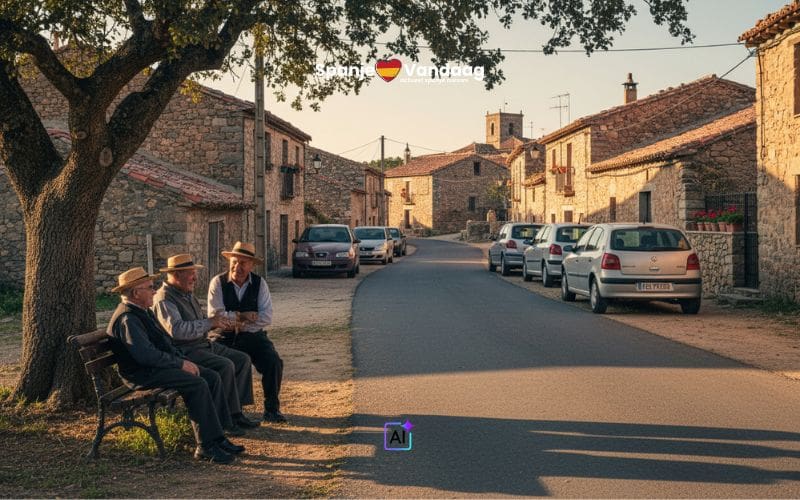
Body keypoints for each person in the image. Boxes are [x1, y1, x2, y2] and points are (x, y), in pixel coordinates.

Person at [106, 266, 244, 464]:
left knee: (211, 376)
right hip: (142, 374)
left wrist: (182, 360)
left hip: (154, 367)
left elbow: (163, 343)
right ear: (136, 293)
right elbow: (146, 356)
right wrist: (180, 364)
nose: (154, 291)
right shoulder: (128, 318)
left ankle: (218, 437)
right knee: (197, 383)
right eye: (150, 287)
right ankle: (205, 446)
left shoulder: (141, 311)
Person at [152, 253, 260, 435]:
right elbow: (177, 331)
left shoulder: (186, 294)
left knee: (242, 359)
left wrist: (221, 322)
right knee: (225, 366)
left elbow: (202, 320)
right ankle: (224, 421)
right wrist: (210, 323)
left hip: (202, 344)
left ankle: (235, 413)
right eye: (191, 274)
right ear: (177, 275)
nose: (195, 278)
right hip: (185, 351)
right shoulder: (164, 299)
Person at [208, 242, 286, 423]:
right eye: (234, 262)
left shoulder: (260, 283)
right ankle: (234, 412)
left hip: (252, 335)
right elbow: (215, 315)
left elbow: (266, 317)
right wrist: (243, 316)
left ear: (252, 265)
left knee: (273, 362)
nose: (238, 267)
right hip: (224, 336)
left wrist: (239, 324)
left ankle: (272, 409)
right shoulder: (217, 282)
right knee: (226, 364)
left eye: (243, 263)